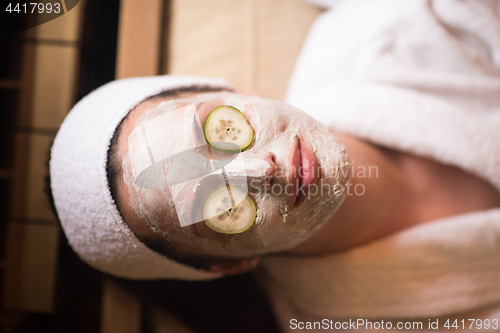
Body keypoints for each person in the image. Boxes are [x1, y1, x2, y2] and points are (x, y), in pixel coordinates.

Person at [50, 0, 500, 331]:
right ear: (230, 264)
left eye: (221, 131)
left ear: (233, 92)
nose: (261, 170)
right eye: (219, 205)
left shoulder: (392, 22)